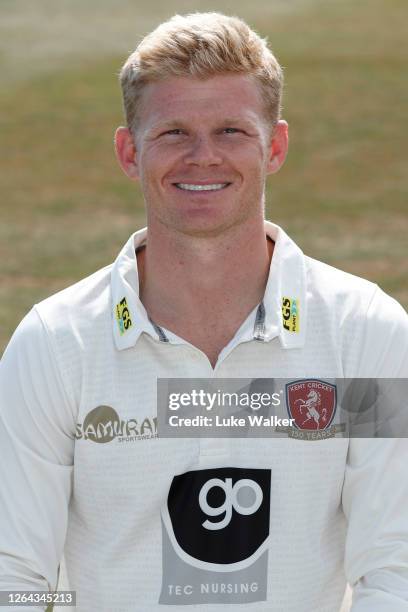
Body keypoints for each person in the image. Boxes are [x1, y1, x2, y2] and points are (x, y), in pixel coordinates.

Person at [0, 11, 407, 612]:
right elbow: (16, 575)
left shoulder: (366, 331)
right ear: (128, 152)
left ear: (275, 146)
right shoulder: (54, 342)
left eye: (231, 132)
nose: (202, 157)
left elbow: (395, 566)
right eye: (172, 133)